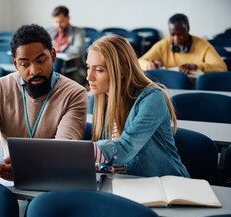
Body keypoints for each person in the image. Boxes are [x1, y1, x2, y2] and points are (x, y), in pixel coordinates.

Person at [0, 24, 88, 181]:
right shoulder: (0, 87)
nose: (34, 71)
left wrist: (26, 167)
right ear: (15, 63)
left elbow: (63, 150)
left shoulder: (74, 93)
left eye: (41, 61)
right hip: (6, 176)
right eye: (25, 64)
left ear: (53, 55)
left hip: (51, 177)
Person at [86, 35, 190, 178]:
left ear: (122, 71)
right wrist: (103, 166)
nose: (89, 77)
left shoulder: (152, 98)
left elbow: (125, 148)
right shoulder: (102, 99)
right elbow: (113, 156)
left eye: (98, 70)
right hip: (130, 183)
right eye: (88, 68)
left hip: (167, 186)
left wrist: (79, 154)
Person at [138, 13, 227, 74]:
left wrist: (196, 67)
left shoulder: (203, 45)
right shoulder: (163, 44)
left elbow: (221, 67)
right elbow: (139, 62)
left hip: (194, 88)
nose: (176, 38)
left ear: (187, 28)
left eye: (180, 34)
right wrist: (150, 65)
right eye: (172, 34)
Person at [47, 5, 86, 85]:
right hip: (53, 65)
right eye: (56, 22)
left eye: (61, 21)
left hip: (74, 68)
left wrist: (59, 48)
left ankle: (54, 86)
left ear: (68, 18)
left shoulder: (78, 31)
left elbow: (77, 49)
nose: (58, 25)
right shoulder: (51, 31)